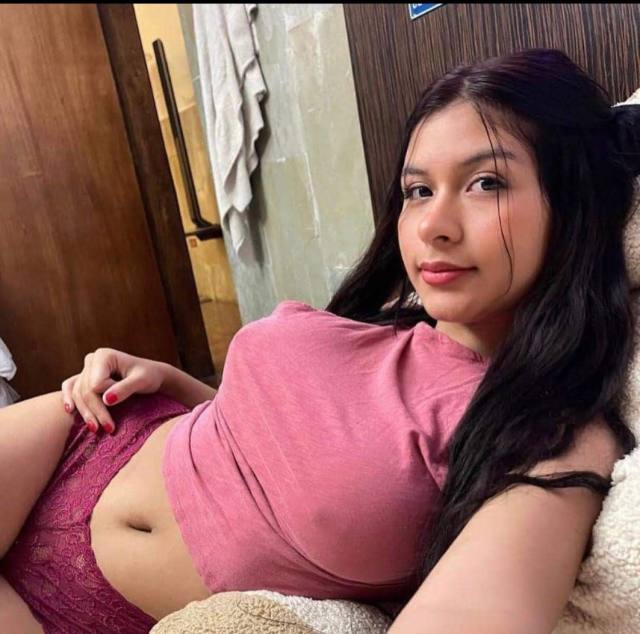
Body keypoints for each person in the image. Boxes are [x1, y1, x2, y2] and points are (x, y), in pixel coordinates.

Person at [1, 47, 639, 634]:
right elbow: (276, 443)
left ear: (575, 201)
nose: (433, 226)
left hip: (90, 610)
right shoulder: (390, 320)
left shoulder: (551, 431)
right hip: (84, 439)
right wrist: (172, 384)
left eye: (486, 183)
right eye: (418, 191)